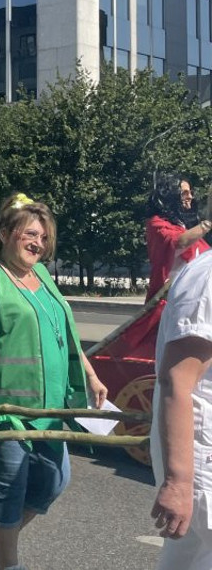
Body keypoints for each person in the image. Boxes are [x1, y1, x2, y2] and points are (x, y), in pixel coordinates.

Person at [0, 193, 108, 570]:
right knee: (9, 490)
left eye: (43, 237)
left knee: (54, 481)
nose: (38, 243)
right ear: (5, 233)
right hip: (5, 412)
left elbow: (64, 333)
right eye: (30, 234)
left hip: (50, 410)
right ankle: (8, 563)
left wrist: (90, 374)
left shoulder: (39, 275)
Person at [150, 237, 212, 568]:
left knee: (187, 558)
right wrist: (178, 481)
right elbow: (177, 381)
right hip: (202, 457)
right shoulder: (209, 279)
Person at [147, 174, 212, 299]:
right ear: (171, 196)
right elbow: (180, 242)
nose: (190, 197)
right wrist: (209, 222)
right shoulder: (156, 223)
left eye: (190, 192)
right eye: (185, 193)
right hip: (168, 300)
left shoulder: (186, 226)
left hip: (194, 296)